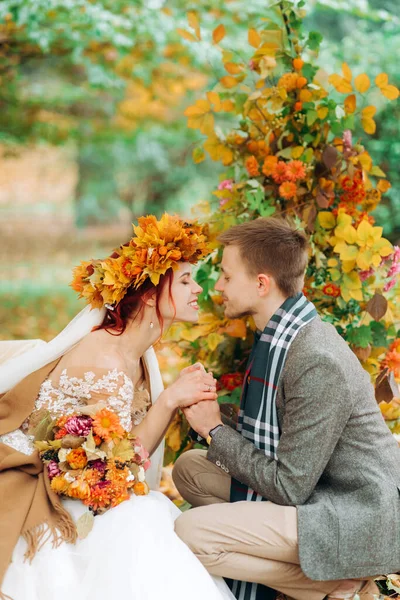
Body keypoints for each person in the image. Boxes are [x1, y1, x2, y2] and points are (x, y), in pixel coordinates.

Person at [0, 214, 235, 600]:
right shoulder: (107, 360)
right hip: (52, 482)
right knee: (139, 526)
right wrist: (171, 399)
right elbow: (118, 467)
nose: (197, 290)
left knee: (150, 521)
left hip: (92, 475)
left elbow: (123, 454)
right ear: (148, 294)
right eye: (186, 280)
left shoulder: (137, 352)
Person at [173, 216, 400, 600]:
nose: (218, 286)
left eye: (227, 276)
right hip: (317, 489)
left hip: (356, 514)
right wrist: (212, 410)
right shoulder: (280, 337)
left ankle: (330, 585)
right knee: (189, 470)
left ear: (262, 284)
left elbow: (289, 485)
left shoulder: (314, 358)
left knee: (189, 533)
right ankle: (302, 570)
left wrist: (215, 430)